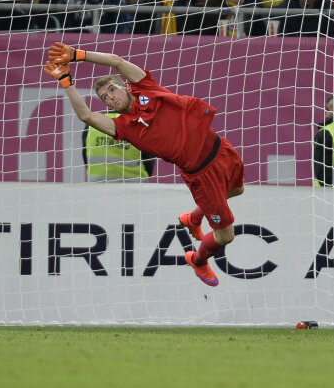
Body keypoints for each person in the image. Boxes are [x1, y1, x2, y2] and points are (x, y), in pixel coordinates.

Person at [45, 43, 246, 288]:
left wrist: (78, 55)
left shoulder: (146, 88)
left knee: (236, 190)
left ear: (124, 85)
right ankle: (198, 259)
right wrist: (66, 81)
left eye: (112, 89)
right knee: (226, 236)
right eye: (105, 98)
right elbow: (86, 115)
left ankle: (193, 218)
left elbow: (116, 60)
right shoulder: (125, 127)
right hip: (201, 174)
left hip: (220, 148)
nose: (111, 97)